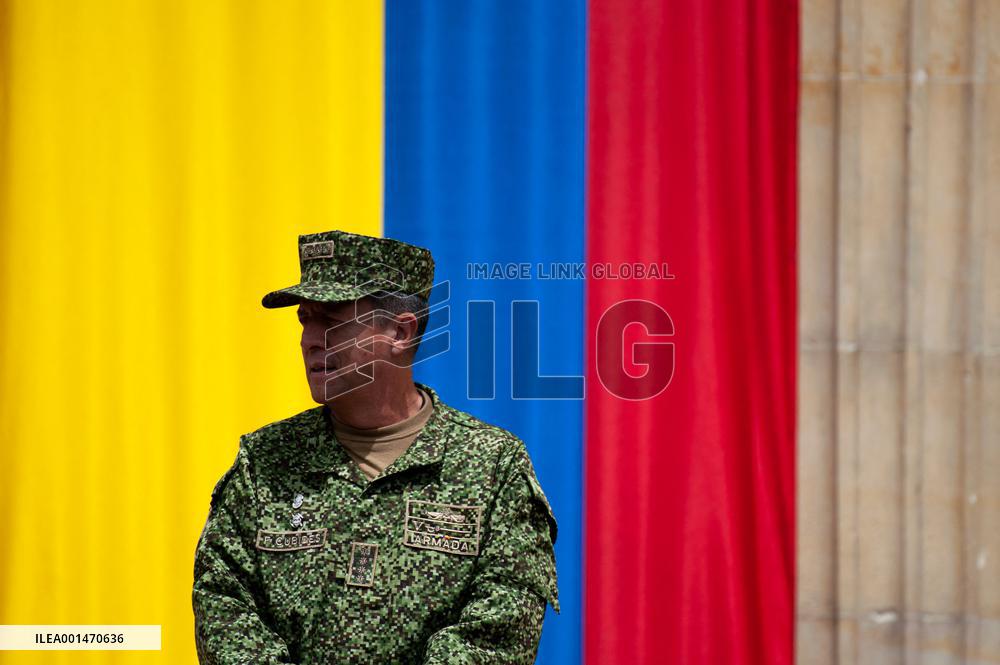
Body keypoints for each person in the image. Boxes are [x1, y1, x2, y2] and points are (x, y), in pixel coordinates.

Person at [192, 229, 560, 664]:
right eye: (304, 318)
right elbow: (223, 607)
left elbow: (500, 627)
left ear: (400, 333)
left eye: (329, 320)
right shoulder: (265, 461)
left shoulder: (492, 466)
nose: (308, 338)